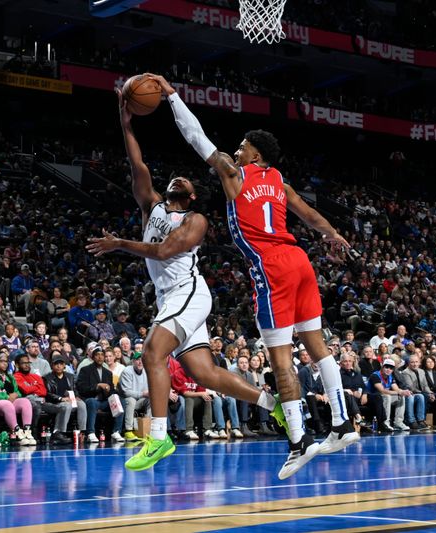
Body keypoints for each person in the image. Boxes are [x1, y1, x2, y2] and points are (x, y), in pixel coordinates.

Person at [149, 72, 359, 478]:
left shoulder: (235, 173)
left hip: (271, 266)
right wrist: (331, 234)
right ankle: (342, 423)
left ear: (255, 156)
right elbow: (308, 215)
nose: (236, 149)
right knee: (317, 346)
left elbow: (196, 137)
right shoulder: (279, 181)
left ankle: (298, 443)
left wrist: (173, 97)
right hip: (300, 260)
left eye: (242, 146)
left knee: (281, 358)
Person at [85, 88, 287, 472]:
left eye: (186, 182)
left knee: (150, 353)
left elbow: (163, 252)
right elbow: (136, 160)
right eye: (175, 178)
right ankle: (271, 404)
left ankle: (158, 439)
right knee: (203, 372)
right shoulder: (152, 205)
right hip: (169, 297)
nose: (178, 179)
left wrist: (118, 243)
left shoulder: (195, 221)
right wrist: (125, 120)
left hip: (189, 292)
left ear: (192, 196)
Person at [0, 352, 36, 447]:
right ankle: (17, 432)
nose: (5, 363)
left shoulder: (10, 376)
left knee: (26, 402)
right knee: (7, 404)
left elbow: (17, 392)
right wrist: (6, 396)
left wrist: (15, 395)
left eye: (6, 361)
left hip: (10, 400)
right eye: (2, 361)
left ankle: (27, 432)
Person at [75, 345, 125, 443]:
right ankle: (91, 433)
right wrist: (97, 386)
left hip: (104, 401)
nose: (100, 357)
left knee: (120, 400)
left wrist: (111, 392)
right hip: (91, 399)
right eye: (97, 355)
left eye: (102, 355)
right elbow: (81, 388)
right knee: (92, 402)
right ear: (93, 357)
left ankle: (116, 431)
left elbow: (110, 390)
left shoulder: (108, 373)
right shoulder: (85, 370)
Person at [43, 351, 86, 444]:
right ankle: (59, 433)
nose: (58, 366)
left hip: (70, 400)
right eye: (56, 364)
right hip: (53, 403)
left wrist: (77, 396)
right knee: (66, 405)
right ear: (52, 366)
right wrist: (60, 399)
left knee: (82, 404)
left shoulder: (70, 376)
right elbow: (47, 394)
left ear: (64, 366)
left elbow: (74, 390)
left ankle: (82, 432)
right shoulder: (47, 378)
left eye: (61, 364)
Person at [366, 358, 408, 432]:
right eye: (386, 367)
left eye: (391, 368)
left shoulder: (390, 377)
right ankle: (386, 422)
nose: (388, 369)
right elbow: (382, 391)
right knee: (387, 396)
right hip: (372, 399)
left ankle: (398, 422)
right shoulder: (375, 376)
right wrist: (399, 392)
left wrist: (403, 392)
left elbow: (396, 389)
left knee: (401, 397)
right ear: (382, 367)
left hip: (382, 398)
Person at [118, 352, 151, 441]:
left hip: (140, 400)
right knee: (131, 400)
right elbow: (126, 392)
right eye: (138, 360)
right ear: (133, 361)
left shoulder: (147, 371)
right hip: (125, 400)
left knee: (151, 401)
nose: (140, 362)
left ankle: (147, 429)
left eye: (142, 360)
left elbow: (148, 390)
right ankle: (128, 430)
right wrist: (142, 394)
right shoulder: (127, 371)